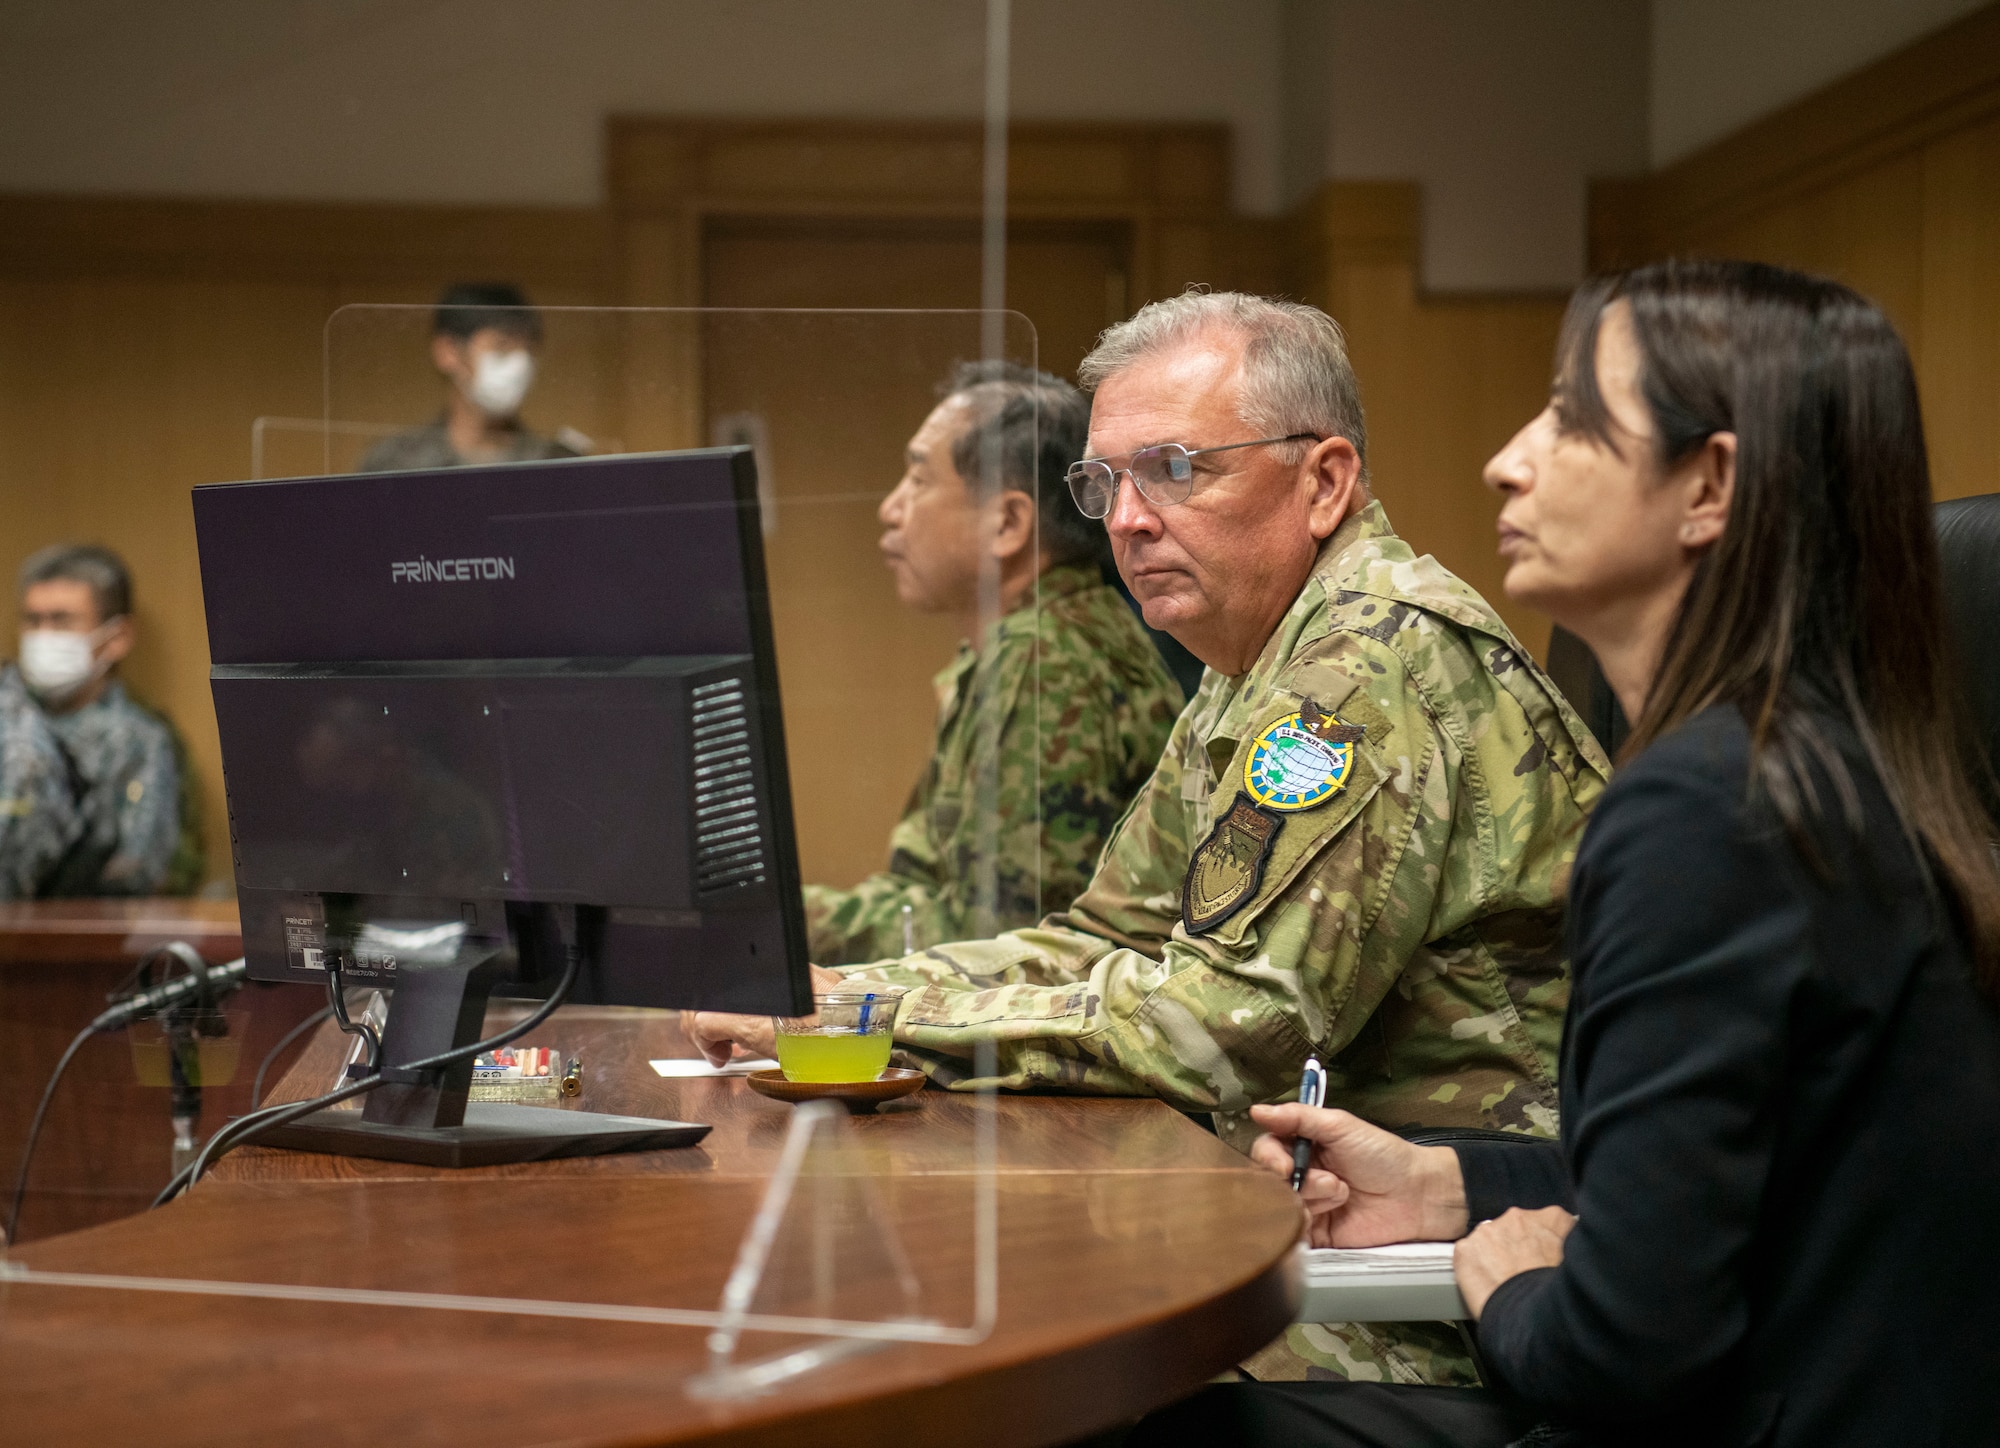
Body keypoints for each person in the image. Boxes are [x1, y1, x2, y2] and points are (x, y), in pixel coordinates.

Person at [1142, 260, 2000, 1446]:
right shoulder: (1804, 772)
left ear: (1706, 486)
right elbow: (1711, 1186)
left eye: (1572, 417)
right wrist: (1443, 1186)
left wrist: (1512, 1289)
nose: (1508, 457)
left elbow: (1623, 1347)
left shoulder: (1704, 816)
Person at [691, 292, 1612, 1384]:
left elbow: (1222, 1024)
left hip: (1459, 1272)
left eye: (1176, 468)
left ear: (1322, 482)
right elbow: (1100, 934)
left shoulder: (1365, 661)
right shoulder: (1252, 663)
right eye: (1104, 481)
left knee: (991, 1355)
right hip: (1301, 1202)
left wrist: (876, 1014)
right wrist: (836, 991)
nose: (1124, 518)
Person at [803, 363, 1184, 964]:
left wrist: (781, 925)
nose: (890, 509)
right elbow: (931, 893)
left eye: (919, 481)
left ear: (1007, 524)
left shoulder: (1045, 661)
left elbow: (998, 939)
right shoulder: (1032, 641)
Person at [5, 545, 201, 897]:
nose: (42, 636)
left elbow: (149, 872)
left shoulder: (141, 742)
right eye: (33, 620)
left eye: (61, 620)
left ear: (118, 638)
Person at [354, 282, 581, 473]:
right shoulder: (395, 463)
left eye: (529, 349)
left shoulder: (558, 463)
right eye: (502, 346)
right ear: (448, 352)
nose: (519, 364)